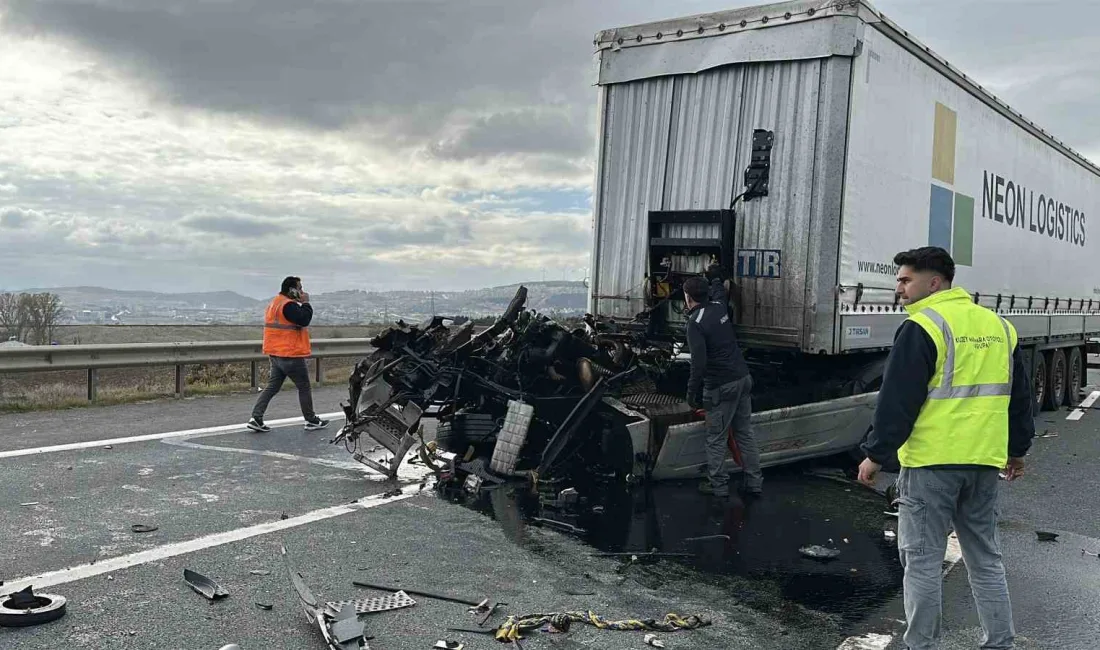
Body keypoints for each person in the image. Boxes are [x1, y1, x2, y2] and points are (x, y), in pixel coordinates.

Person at [858, 246, 1034, 650]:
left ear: (934, 282)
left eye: (905, 280)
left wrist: (876, 454)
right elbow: (1018, 399)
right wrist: (1016, 451)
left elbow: (897, 400)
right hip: (983, 464)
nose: (899, 288)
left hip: (931, 465)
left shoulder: (923, 326)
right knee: (985, 559)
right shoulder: (999, 327)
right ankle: (1000, 643)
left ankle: (922, 646)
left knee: (921, 562)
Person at [683, 275, 762, 498]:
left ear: (688, 298)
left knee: (716, 437)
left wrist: (691, 393)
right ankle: (754, 482)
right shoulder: (719, 308)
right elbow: (719, 292)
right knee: (745, 432)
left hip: (720, 386)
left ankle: (718, 486)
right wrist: (716, 276)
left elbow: (698, 363)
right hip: (743, 378)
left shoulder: (694, 323)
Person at [247, 276, 329, 433]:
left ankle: (256, 418)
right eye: (299, 288)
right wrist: (305, 302)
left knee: (273, 386)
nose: (302, 291)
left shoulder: (274, 303)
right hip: (290, 354)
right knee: (304, 386)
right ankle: (311, 420)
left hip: (276, 354)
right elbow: (304, 319)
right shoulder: (288, 305)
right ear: (292, 290)